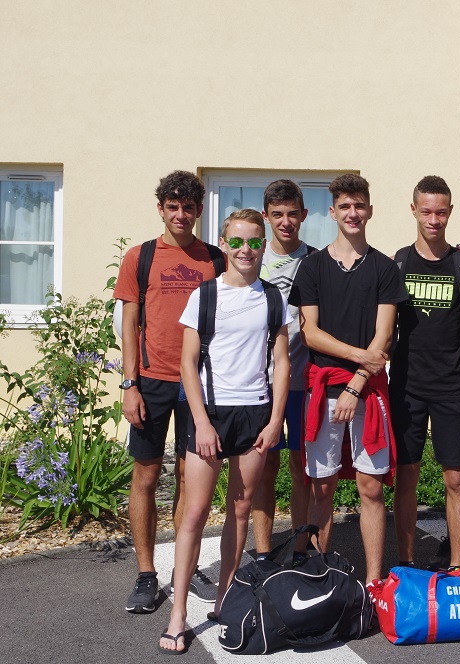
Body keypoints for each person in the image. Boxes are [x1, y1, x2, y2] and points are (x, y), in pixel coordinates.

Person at [159, 208, 291, 654]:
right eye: (237, 241)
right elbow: (187, 364)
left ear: (264, 244)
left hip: (255, 414)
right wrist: (199, 422)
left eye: (255, 241)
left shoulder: (274, 299)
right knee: (194, 514)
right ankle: (177, 613)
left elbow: (282, 364)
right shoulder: (205, 295)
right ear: (224, 243)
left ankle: (225, 601)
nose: (246, 250)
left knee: (239, 511)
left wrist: (275, 421)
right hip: (209, 413)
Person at [289, 173, 408, 595]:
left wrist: (357, 383)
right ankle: (321, 570)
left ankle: (374, 578)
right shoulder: (313, 265)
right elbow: (311, 333)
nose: (353, 213)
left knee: (370, 486)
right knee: (321, 485)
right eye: (344, 206)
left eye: (359, 205)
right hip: (324, 388)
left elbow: (384, 335)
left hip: (368, 390)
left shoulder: (384, 268)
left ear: (370, 210)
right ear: (333, 212)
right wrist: (361, 358)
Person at [114, 170, 221, 614]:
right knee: (146, 476)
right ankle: (145, 573)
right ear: (161, 208)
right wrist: (129, 384)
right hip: (153, 382)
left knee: (188, 479)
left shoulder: (214, 258)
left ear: (198, 210)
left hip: (198, 382)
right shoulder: (139, 258)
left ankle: (185, 564)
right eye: (172, 207)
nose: (181, 214)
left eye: (188, 207)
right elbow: (129, 325)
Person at [391, 175, 460, 572]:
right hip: (406, 386)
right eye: (426, 211)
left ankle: (457, 562)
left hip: (453, 388)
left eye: (441, 212)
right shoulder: (399, 262)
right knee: (406, 477)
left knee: (456, 480)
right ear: (413, 210)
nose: (433, 219)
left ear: (450, 213)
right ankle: (405, 562)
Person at [250, 180, 315, 564]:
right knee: (264, 465)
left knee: (301, 465)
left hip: (305, 381)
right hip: (260, 383)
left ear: (304, 215)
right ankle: (261, 552)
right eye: (278, 215)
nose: (286, 222)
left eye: (293, 214)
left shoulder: (317, 260)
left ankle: (301, 546)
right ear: (266, 217)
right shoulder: (251, 259)